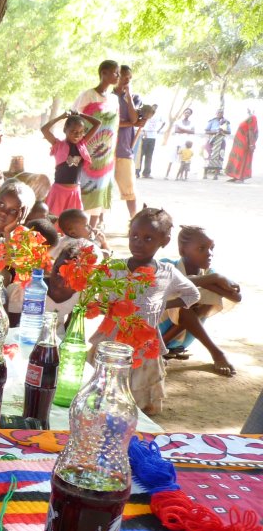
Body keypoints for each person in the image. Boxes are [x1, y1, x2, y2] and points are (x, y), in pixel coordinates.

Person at [89, 207, 199, 415]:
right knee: (99, 394)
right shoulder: (114, 268)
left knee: (135, 401)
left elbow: (193, 295)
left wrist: (162, 305)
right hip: (111, 339)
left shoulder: (167, 273)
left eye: (148, 238)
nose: (139, 242)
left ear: (164, 241)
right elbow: (99, 297)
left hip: (144, 344)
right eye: (135, 236)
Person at [160, 225, 241, 377]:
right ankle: (217, 353)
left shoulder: (210, 273)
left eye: (212, 248)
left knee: (202, 296)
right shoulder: (167, 265)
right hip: (158, 332)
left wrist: (210, 280)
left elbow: (237, 297)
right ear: (183, 250)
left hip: (181, 340)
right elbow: (175, 283)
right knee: (182, 299)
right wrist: (214, 280)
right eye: (201, 249)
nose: (209, 254)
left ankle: (161, 347)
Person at [74, 60, 122, 230]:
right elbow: (74, 119)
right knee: (83, 189)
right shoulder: (88, 96)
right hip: (87, 151)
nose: (118, 76)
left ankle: (92, 231)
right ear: (103, 73)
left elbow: (114, 125)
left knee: (100, 189)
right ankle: (77, 227)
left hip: (106, 155)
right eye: (115, 72)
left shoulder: (115, 99)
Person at [40, 110, 101, 218]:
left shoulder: (82, 143)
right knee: (54, 222)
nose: (77, 134)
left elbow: (97, 123)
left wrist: (80, 114)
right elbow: (44, 129)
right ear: (65, 130)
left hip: (74, 192)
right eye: (73, 131)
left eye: (81, 132)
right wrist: (61, 117)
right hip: (59, 192)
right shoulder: (57, 144)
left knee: (73, 223)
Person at [113, 65, 142, 218]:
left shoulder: (135, 97)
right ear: (116, 76)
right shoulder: (108, 96)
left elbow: (134, 119)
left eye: (130, 78)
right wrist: (127, 123)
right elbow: (107, 123)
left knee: (129, 190)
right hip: (106, 149)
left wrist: (129, 97)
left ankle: (133, 220)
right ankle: (100, 221)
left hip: (124, 149)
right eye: (124, 76)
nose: (127, 80)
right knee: (103, 188)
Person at [225, 109, 257, 183]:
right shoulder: (247, 118)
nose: (248, 110)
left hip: (244, 143)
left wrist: (251, 144)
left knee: (242, 159)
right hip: (238, 144)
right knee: (235, 159)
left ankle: (240, 177)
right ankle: (235, 176)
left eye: (250, 109)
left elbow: (251, 131)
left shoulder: (253, 118)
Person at [165, 108, 195, 180]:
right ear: (183, 113)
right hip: (177, 142)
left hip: (186, 143)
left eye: (189, 113)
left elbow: (193, 132)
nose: (187, 114)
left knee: (184, 160)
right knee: (172, 158)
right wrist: (187, 130)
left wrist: (182, 129)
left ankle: (181, 176)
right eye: (186, 112)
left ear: (190, 114)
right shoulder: (178, 122)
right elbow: (176, 130)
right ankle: (167, 175)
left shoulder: (192, 123)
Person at [203, 108, 231, 180]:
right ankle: (205, 174)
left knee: (219, 156)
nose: (220, 114)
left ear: (223, 114)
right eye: (218, 113)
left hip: (221, 140)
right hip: (211, 140)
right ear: (216, 113)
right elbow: (206, 131)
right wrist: (215, 131)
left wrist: (222, 131)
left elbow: (229, 132)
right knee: (208, 155)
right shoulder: (212, 121)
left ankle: (215, 175)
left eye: (221, 113)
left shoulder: (226, 122)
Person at [138, 107, 165, 178]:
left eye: (155, 108)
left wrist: (158, 130)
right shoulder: (145, 114)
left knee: (149, 156)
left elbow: (164, 122)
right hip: (144, 136)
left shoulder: (158, 115)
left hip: (153, 137)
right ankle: (137, 172)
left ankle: (146, 173)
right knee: (140, 155)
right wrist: (143, 131)